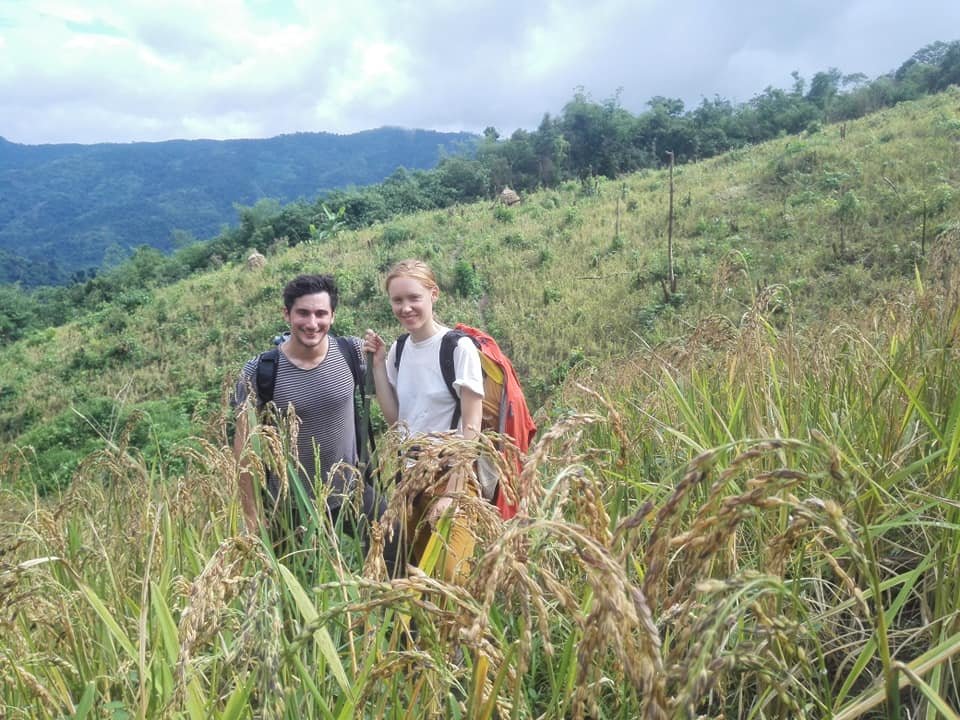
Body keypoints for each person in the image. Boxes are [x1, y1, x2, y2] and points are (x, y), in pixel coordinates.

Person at [233, 273, 386, 562]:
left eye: (320, 314)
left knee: (395, 544)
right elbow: (244, 447)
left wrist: (379, 361)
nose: (312, 323)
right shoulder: (260, 371)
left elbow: (388, 398)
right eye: (303, 313)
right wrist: (251, 514)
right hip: (289, 504)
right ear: (287, 314)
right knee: (295, 591)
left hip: (351, 491)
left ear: (333, 315)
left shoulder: (351, 351)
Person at [363, 259, 485, 582]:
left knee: (450, 576)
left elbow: (472, 428)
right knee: (412, 575)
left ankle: (462, 633)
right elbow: (397, 421)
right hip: (410, 480)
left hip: (451, 476)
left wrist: (451, 495)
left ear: (434, 294)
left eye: (413, 298)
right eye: (397, 300)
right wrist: (378, 365)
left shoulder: (458, 349)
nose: (405, 308)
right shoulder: (400, 349)